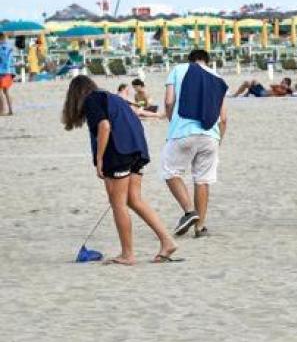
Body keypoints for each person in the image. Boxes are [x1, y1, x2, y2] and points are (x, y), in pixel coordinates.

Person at [61, 76, 179, 265]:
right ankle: (167, 241)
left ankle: (127, 254)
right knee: (134, 199)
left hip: (119, 151)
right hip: (138, 148)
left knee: (118, 204)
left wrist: (100, 159)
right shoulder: (111, 98)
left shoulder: (91, 100)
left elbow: (104, 126)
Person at [163, 49, 228, 238]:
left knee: (170, 172)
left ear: (190, 60)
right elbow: (224, 118)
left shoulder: (178, 70)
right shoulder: (219, 79)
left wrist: (172, 123)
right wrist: (219, 140)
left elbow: (169, 101)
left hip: (182, 131)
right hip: (211, 135)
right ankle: (200, 228)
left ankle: (189, 211)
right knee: (203, 180)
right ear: (207, 61)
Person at [0, 33, 14, 115]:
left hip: (0, 72)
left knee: (0, 92)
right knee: (6, 91)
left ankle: (1, 110)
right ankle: (10, 110)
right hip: (8, 72)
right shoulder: (9, 47)